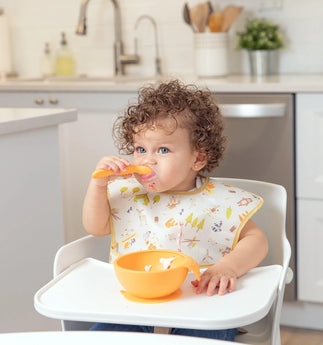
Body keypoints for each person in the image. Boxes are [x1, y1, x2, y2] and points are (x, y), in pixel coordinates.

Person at [82, 79, 268, 341]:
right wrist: (98, 185)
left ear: (198, 158)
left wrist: (228, 267)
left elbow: (257, 240)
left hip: (201, 307)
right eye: (140, 149)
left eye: (164, 149)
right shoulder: (128, 195)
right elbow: (95, 226)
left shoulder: (219, 202)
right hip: (132, 308)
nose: (147, 159)